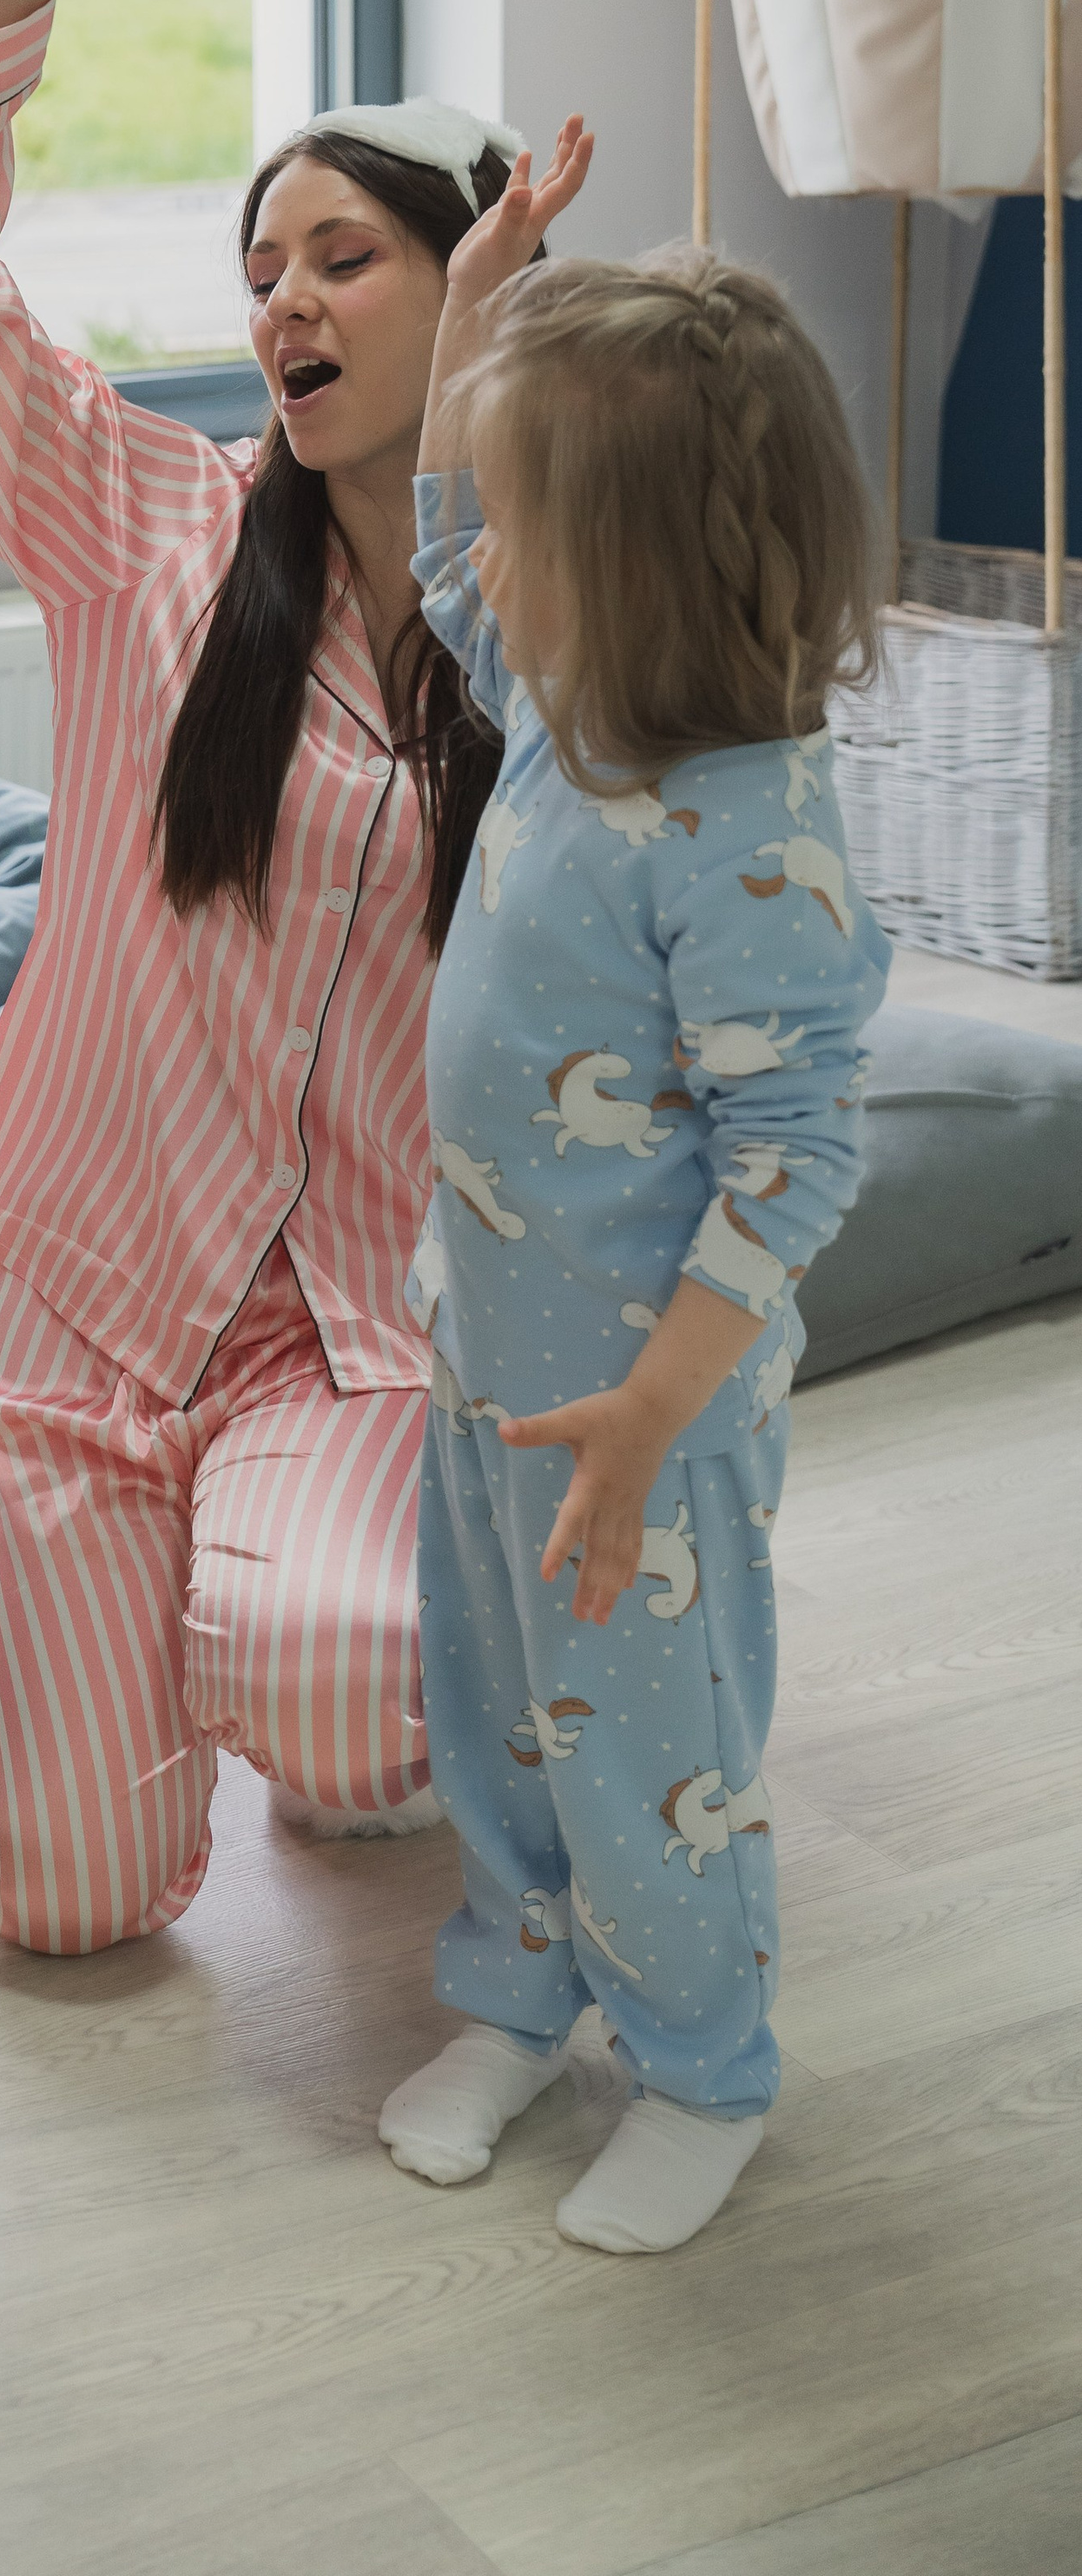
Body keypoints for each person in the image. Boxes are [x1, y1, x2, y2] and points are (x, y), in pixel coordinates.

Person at [0, 0, 577, 1953]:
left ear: (482, 287)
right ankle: (135, 1632)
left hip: (349, 1325)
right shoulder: (142, 529)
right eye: (264, 268)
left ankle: (287, 1620)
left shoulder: (552, 625)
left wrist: (506, 436)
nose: (284, 302)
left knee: (365, 1718)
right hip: (74, 1306)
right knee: (60, 1914)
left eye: (346, 256)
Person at [377, 169, 887, 2253]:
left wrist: (655, 1409)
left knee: (648, 1744)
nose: (482, 558)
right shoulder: (562, 713)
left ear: (634, 565)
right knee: (489, 1711)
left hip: (641, 1409)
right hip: (488, 1352)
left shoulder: (745, 842)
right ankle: (516, 1989)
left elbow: (800, 1165)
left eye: (524, 527)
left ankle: (699, 2064)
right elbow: (431, 550)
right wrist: (475, 317)